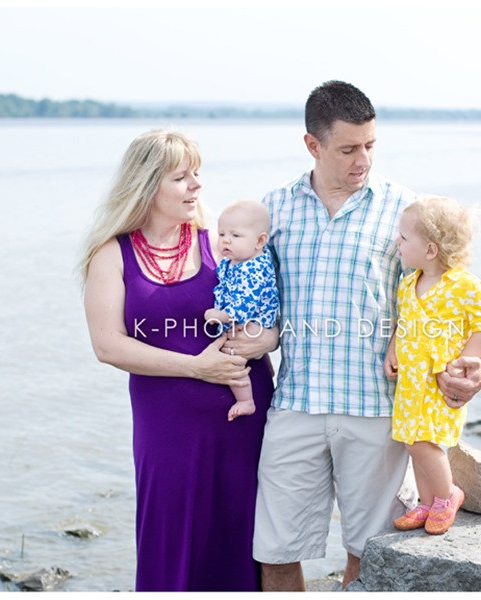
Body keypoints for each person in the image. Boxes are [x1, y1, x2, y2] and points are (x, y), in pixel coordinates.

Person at [253, 80, 481, 591]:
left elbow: (457, 299)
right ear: (312, 146)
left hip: (378, 410)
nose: (362, 159)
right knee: (274, 552)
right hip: (294, 404)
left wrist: (478, 364)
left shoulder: (407, 212)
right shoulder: (272, 210)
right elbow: (251, 298)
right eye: (347, 149)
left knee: (369, 554)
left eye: (369, 145)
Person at [79, 129, 278, 591]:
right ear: (148, 184)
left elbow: (273, 311)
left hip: (242, 418)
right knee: (170, 535)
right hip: (166, 425)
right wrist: (195, 367)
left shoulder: (222, 243)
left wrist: (266, 339)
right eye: (181, 177)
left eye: (197, 175)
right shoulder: (112, 255)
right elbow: (107, 345)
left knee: (244, 535)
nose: (197, 186)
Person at [383, 195, 481, 535]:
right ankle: (427, 502)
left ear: (431, 249)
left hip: (439, 379)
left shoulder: (465, 286)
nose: (396, 242)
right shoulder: (408, 283)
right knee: (410, 440)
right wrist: (393, 348)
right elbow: (403, 322)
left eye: (403, 238)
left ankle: (448, 496)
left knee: (426, 442)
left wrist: (471, 361)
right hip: (410, 381)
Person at [204, 199, 280, 421]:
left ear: (260, 241)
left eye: (235, 236)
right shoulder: (235, 260)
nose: (226, 240)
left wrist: (221, 316)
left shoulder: (254, 268)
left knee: (232, 359)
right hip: (240, 320)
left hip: (253, 321)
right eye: (222, 234)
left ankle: (245, 400)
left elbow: (245, 304)